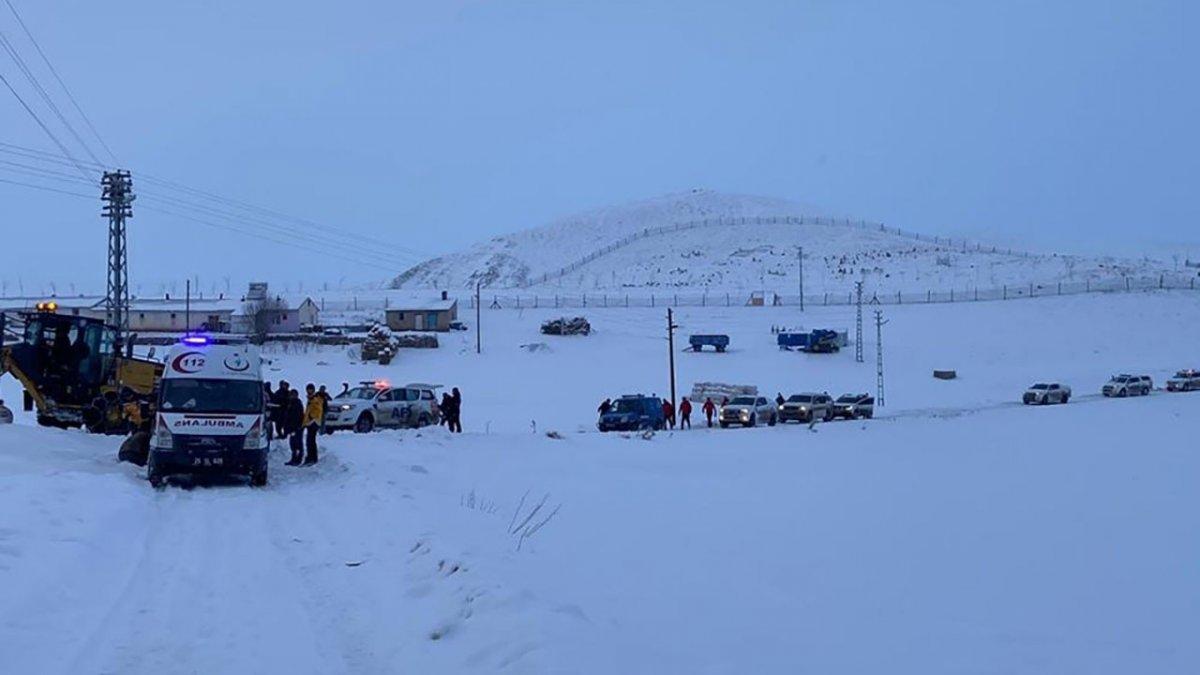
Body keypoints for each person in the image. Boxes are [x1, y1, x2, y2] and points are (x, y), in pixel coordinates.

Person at [300, 383, 324, 465]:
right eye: (308, 389)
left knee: (311, 441)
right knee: (309, 441)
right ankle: (311, 457)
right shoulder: (310, 399)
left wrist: (311, 417)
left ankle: (312, 458)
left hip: (313, 422)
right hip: (310, 422)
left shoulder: (315, 399)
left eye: (310, 389)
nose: (309, 391)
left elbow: (318, 410)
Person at [285, 389, 304, 465]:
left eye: (292, 395)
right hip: (292, 427)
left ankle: (298, 459)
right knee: (293, 444)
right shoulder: (291, 404)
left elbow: (297, 417)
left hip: (297, 428)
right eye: (290, 395)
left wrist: (296, 427)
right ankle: (294, 458)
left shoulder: (297, 404)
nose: (291, 397)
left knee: (297, 444)